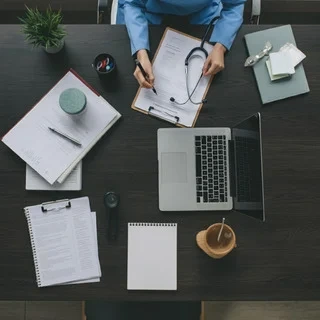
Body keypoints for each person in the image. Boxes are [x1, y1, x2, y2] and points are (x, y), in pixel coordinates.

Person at [116, 0, 246, 89]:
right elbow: (132, 4)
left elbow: (234, 5)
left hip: (202, 14)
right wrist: (141, 52)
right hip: (151, 14)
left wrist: (220, 46)